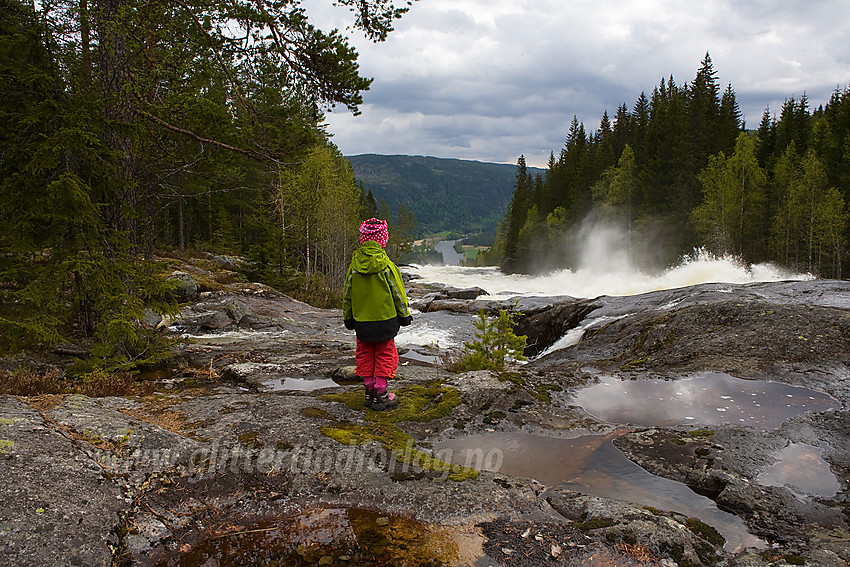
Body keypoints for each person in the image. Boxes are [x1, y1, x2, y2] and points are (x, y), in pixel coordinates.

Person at [342, 218, 412, 410]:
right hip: (385, 320)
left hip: (362, 321)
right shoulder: (387, 265)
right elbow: (398, 293)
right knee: (385, 354)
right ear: (383, 240)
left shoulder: (354, 267)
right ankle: (381, 394)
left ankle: (369, 392)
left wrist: (348, 317)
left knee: (364, 354)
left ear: (363, 239)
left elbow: (347, 294)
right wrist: (404, 315)